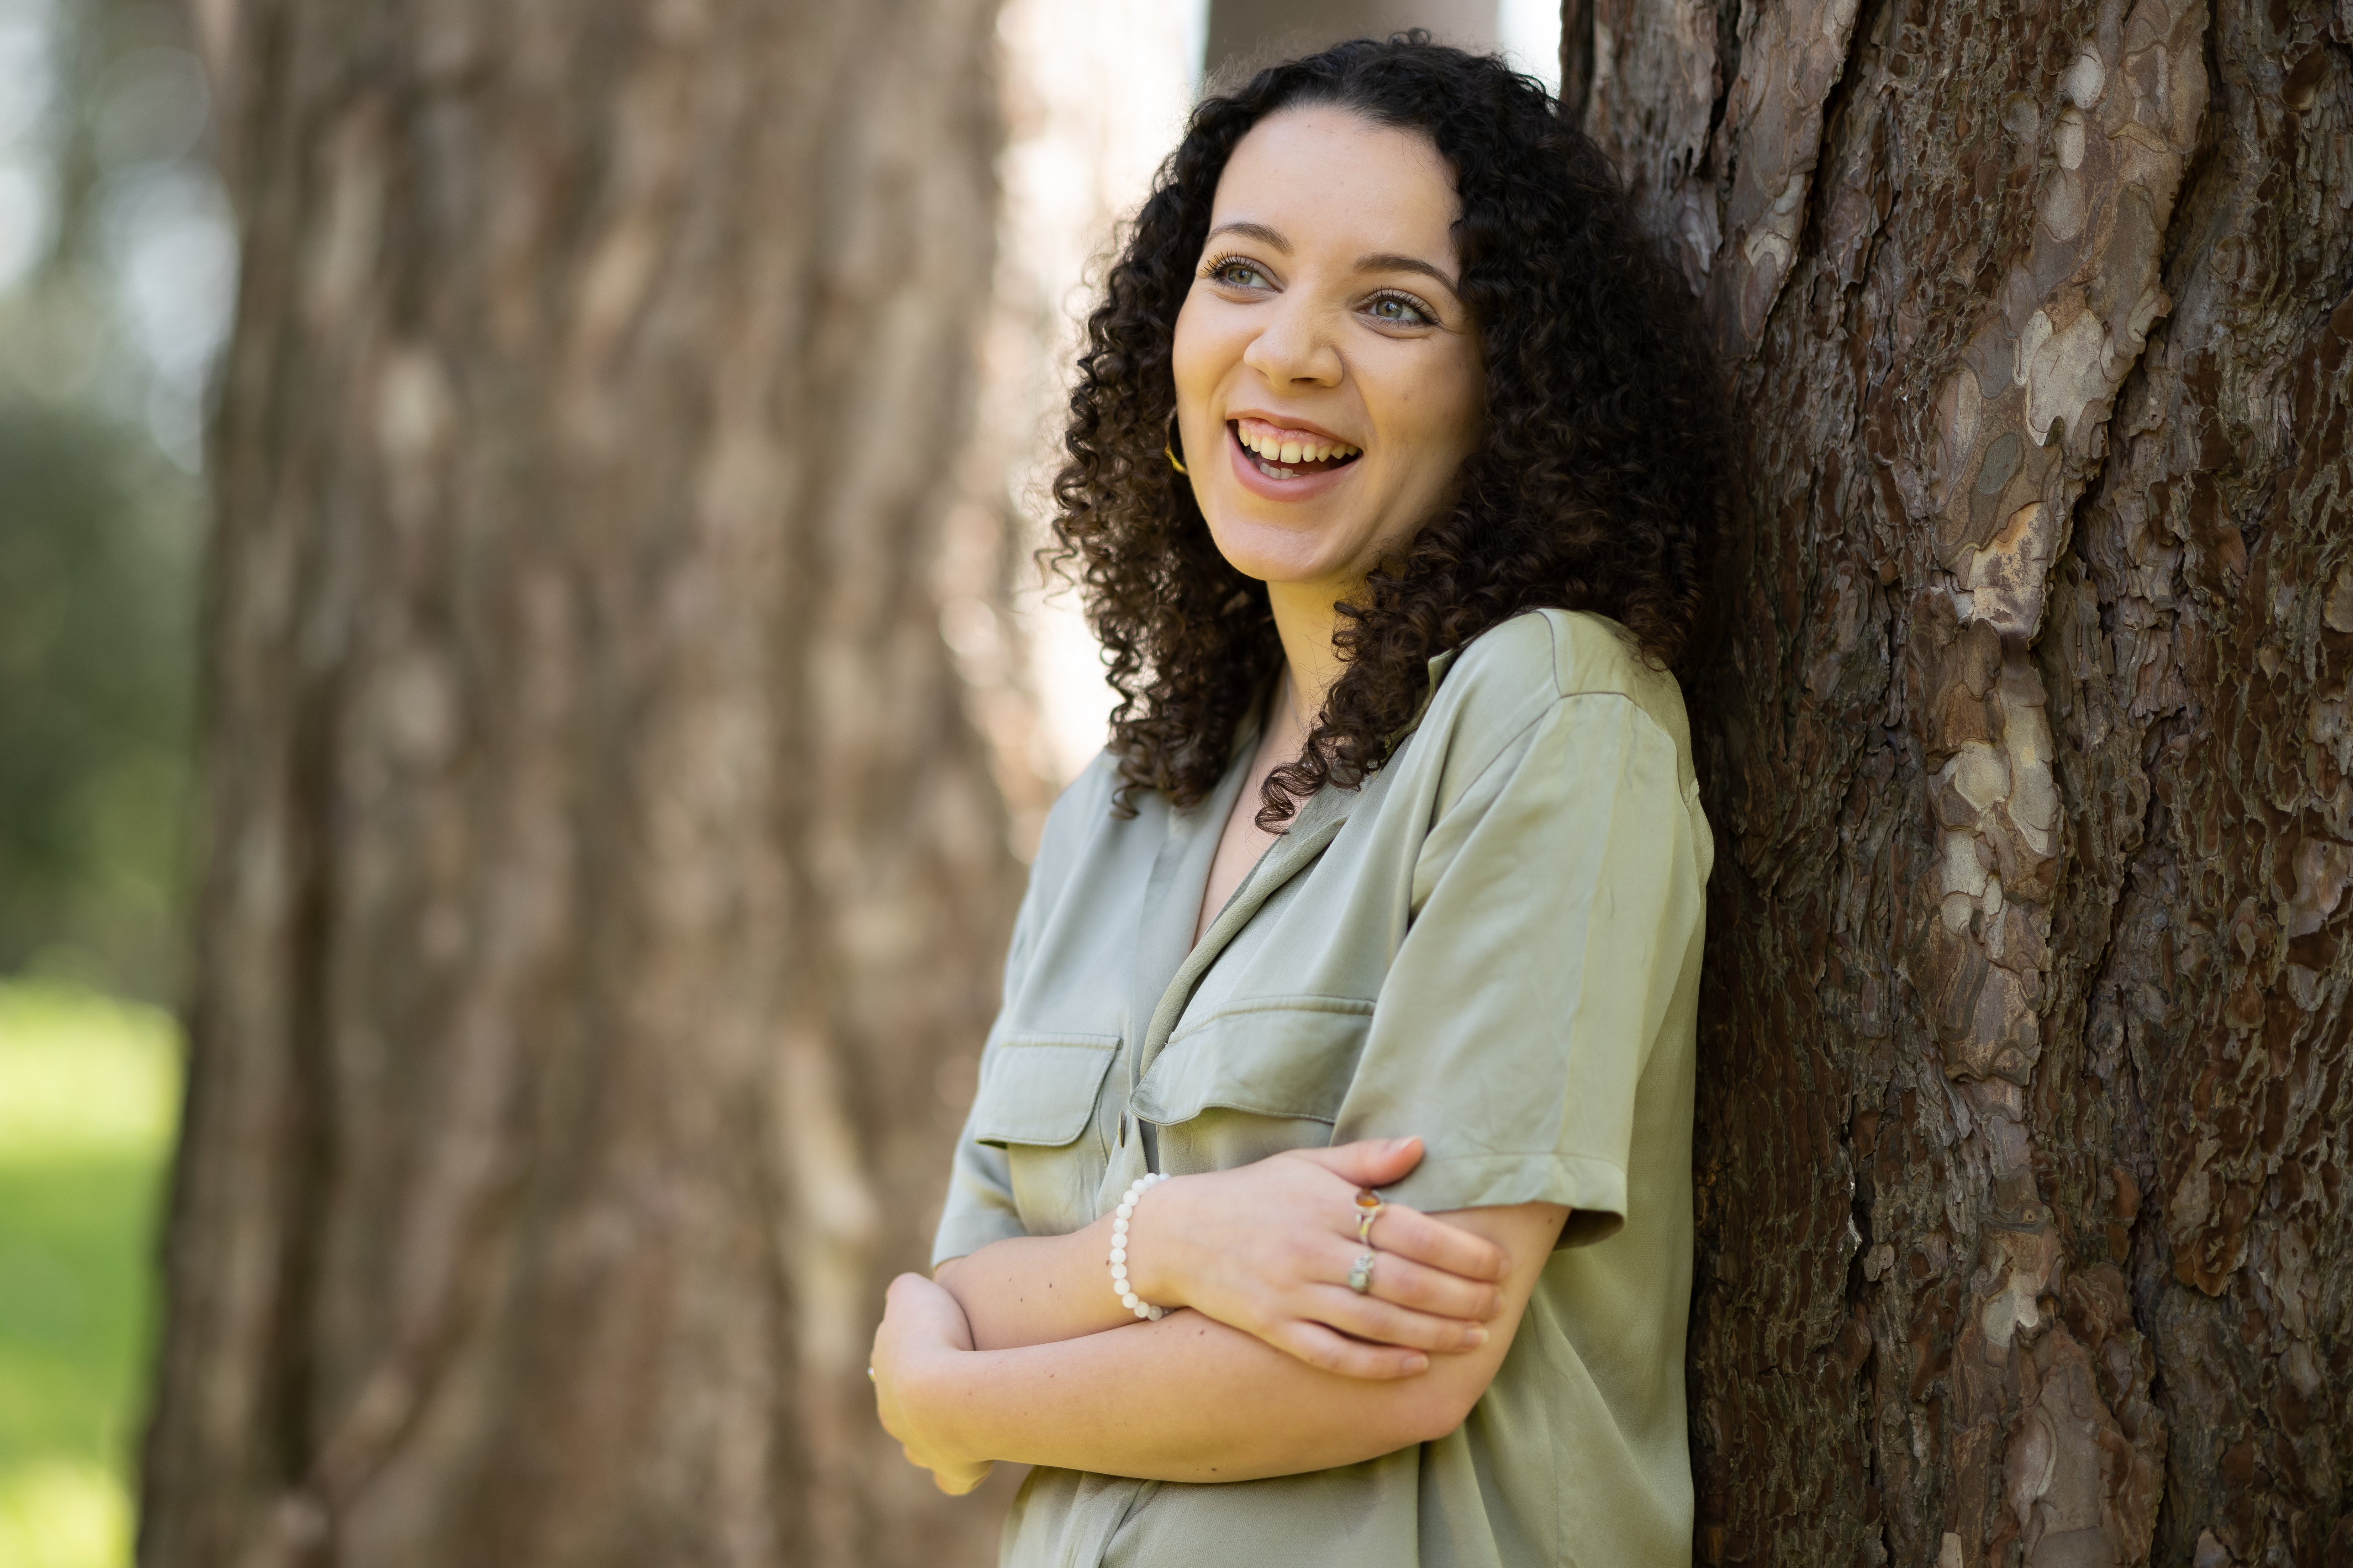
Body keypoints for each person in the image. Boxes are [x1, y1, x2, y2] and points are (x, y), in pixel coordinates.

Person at [869, 33, 1726, 1568]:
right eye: (1244, 274)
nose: (1289, 355)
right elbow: (953, 1291)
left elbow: (1400, 1360)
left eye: (1394, 306)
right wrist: (1171, 1246)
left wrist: (972, 1383)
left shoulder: (1548, 716)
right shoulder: (1119, 811)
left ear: (1507, 385)